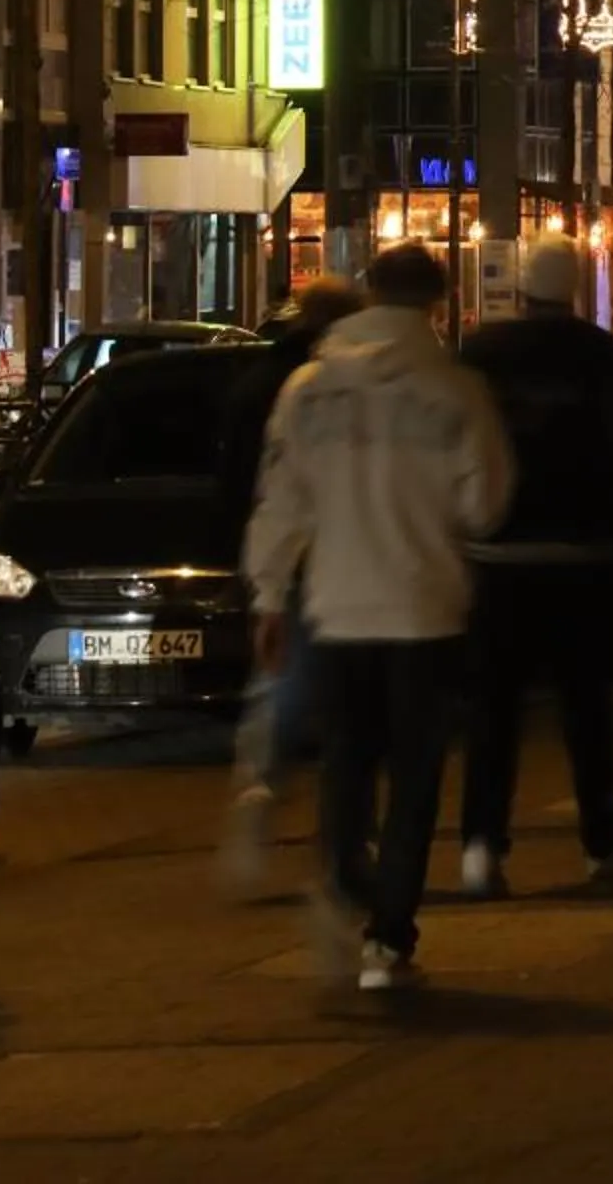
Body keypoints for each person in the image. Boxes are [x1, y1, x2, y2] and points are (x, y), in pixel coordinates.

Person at [243, 241, 512, 996]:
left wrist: (267, 596)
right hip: (425, 607)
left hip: (336, 606)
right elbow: (483, 506)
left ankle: (342, 877)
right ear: (438, 300)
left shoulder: (308, 388)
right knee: (416, 776)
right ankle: (388, 938)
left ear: (367, 295)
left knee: (348, 761)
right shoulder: (456, 391)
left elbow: (281, 501)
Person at [456, 233, 613, 894]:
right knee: (586, 707)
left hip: (496, 554)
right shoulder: (605, 359)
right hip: (580, 553)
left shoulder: (480, 357)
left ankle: (482, 845)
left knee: (493, 711)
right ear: (574, 288)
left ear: (520, 289)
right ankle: (601, 842)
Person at [220, 274, 366, 894]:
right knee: (352, 706)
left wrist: (262, 580)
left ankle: (262, 786)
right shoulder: (332, 389)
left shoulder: (258, 381)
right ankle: (342, 844)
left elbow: (248, 482)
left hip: (289, 558)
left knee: (283, 688)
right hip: (344, 560)